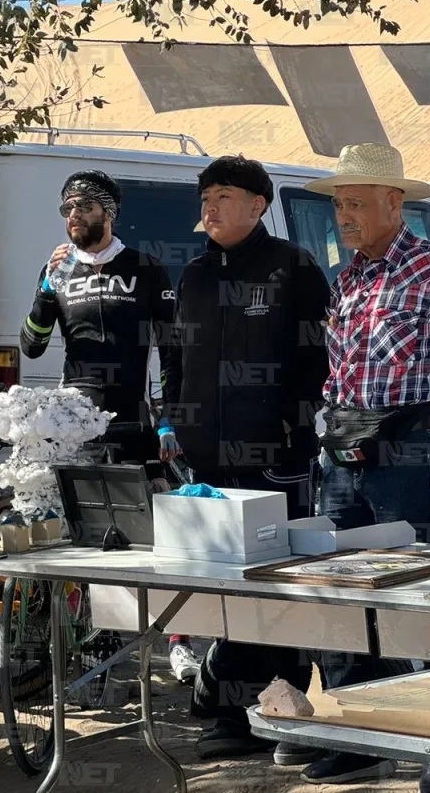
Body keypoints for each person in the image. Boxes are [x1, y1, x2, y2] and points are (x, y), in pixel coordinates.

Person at [299, 143, 430, 792]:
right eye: (338, 204)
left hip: (411, 462)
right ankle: (365, 736)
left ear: (396, 203)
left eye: (356, 202)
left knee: (427, 603)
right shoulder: (348, 279)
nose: (344, 215)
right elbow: (338, 372)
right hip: (343, 457)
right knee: (338, 599)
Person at [161, 154, 331, 766]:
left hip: (277, 460)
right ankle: (228, 714)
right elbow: (175, 355)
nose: (209, 206)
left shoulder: (294, 266)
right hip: (207, 463)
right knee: (224, 592)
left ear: (258, 205)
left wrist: (293, 417)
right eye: (205, 196)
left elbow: (320, 355)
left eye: (223, 196)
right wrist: (173, 416)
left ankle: (283, 712)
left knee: (278, 588)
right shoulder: (196, 276)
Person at [18, 169, 200, 680]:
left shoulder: (144, 268)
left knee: (159, 539)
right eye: (66, 210)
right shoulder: (57, 269)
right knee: (89, 542)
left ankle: (180, 641)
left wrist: (169, 422)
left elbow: (172, 350)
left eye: (82, 208)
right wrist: (44, 293)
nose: (72, 218)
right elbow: (30, 343)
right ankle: (100, 647)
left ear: (108, 213)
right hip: (76, 428)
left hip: (135, 421)